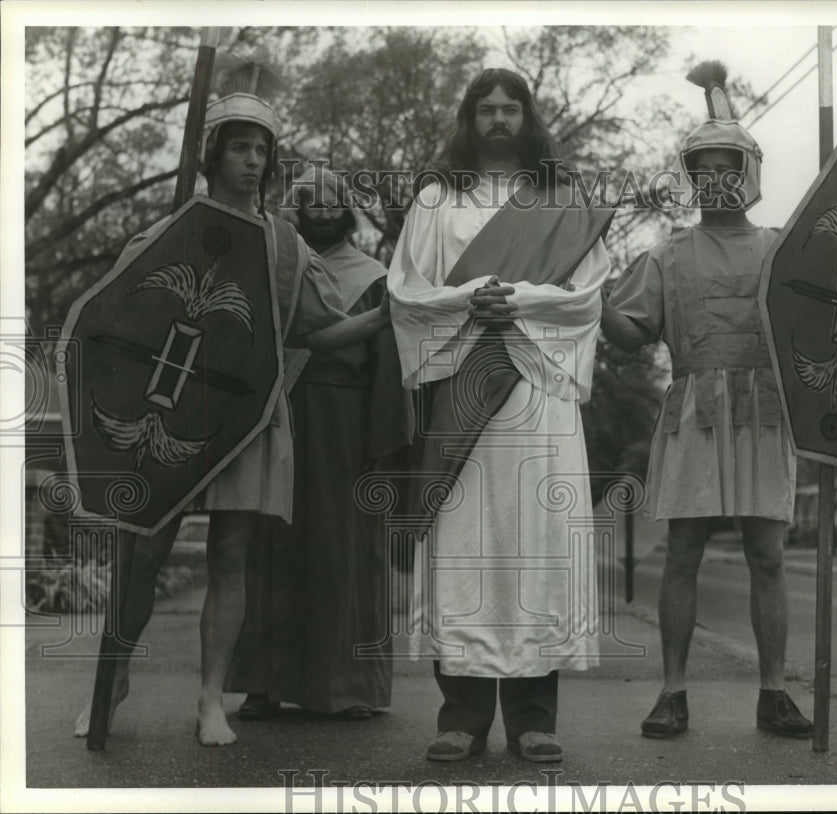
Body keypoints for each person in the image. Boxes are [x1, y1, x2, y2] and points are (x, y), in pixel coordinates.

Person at [73, 87, 389, 746]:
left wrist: (391, 314)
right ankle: (115, 678)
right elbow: (110, 328)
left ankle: (211, 697)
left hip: (246, 420)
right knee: (144, 555)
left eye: (261, 150)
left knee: (232, 556)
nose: (251, 160)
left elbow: (318, 332)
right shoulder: (164, 232)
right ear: (212, 152)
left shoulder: (284, 246)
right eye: (239, 147)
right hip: (167, 416)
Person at [387, 68, 613, 763]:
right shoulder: (435, 197)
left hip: (537, 386)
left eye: (509, 108)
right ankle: (459, 716)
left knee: (536, 547)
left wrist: (515, 299)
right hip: (463, 386)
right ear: (468, 118)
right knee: (464, 550)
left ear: (528, 117)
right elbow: (405, 290)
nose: (497, 119)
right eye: (484, 108)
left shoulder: (563, 197)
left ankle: (534, 718)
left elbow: (588, 294)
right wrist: (469, 301)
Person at [601, 61, 813, 740]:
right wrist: (595, 300)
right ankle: (672, 692)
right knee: (685, 550)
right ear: (693, 178)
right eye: (704, 169)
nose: (715, 180)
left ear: (748, 172)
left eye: (727, 166)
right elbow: (631, 335)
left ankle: (774, 692)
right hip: (693, 411)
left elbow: (822, 326)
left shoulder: (786, 250)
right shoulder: (667, 256)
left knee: (768, 555)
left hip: (766, 411)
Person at [228, 165, 412, 720]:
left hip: (342, 422)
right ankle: (262, 683)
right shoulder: (274, 268)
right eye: (311, 199)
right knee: (268, 546)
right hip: (276, 413)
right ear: (295, 207)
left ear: (349, 209)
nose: (324, 208)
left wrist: (380, 441)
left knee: (342, 552)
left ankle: (349, 686)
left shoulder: (375, 277)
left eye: (335, 200)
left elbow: (387, 365)